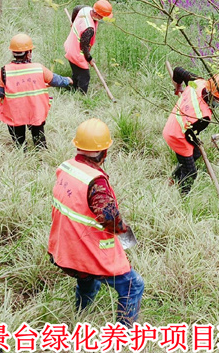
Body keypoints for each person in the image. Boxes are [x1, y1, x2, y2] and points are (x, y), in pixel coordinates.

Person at [48, 118, 144, 326]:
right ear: (105, 152)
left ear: (78, 146)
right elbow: (109, 217)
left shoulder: (66, 168)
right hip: (88, 251)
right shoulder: (95, 181)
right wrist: (123, 230)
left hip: (65, 247)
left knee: (87, 279)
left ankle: (80, 314)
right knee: (133, 286)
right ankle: (122, 336)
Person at [163, 66, 219, 195]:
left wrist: (178, 86)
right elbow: (189, 135)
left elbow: (178, 70)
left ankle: (174, 178)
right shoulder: (204, 116)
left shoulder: (197, 82)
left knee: (196, 154)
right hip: (177, 136)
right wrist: (196, 142)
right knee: (191, 172)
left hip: (174, 122)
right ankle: (183, 197)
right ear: (213, 97)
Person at [0, 34, 72, 148]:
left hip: (15, 113)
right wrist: (67, 80)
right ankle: (40, 149)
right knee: (38, 133)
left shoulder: (4, 71)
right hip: (35, 110)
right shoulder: (38, 68)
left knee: (18, 137)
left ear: (13, 53)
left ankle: (22, 150)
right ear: (29, 53)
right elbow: (55, 81)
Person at [64, 0, 113, 94]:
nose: (103, 19)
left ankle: (73, 89)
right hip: (76, 53)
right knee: (84, 76)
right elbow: (84, 46)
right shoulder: (89, 29)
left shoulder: (85, 9)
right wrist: (89, 59)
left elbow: (76, 8)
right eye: (102, 17)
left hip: (70, 45)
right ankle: (81, 96)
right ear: (97, 14)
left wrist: (73, 22)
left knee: (77, 73)